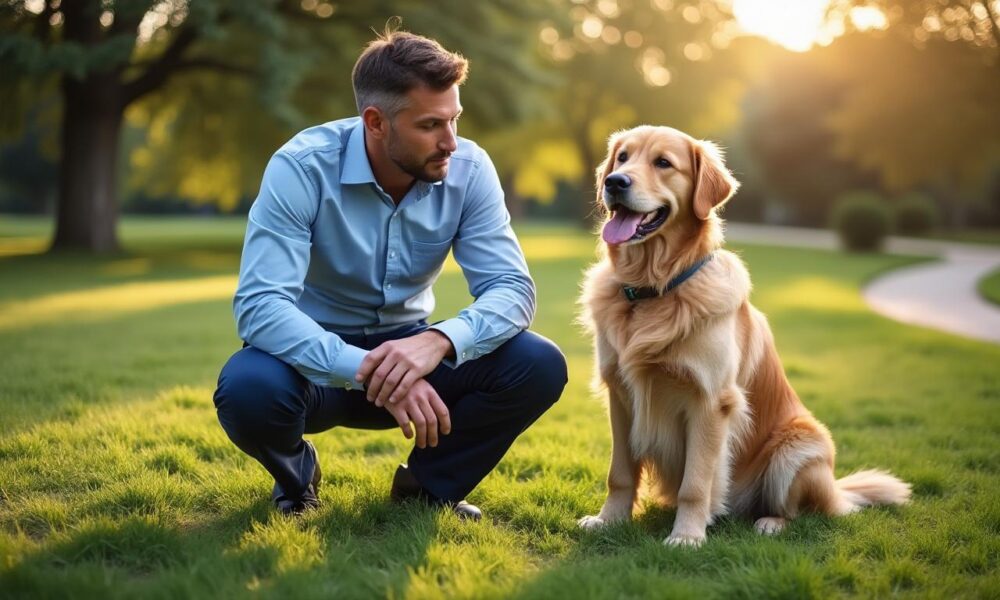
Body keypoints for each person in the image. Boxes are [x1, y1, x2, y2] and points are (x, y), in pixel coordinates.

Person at [212, 28, 567, 520]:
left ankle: (427, 487)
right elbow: (260, 308)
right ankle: (297, 477)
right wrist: (368, 371)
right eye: (430, 125)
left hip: (414, 347)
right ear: (375, 122)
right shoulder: (301, 167)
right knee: (248, 389)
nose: (451, 142)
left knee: (538, 363)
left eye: (454, 120)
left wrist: (438, 342)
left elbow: (511, 290)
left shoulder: (470, 168)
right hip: (316, 364)